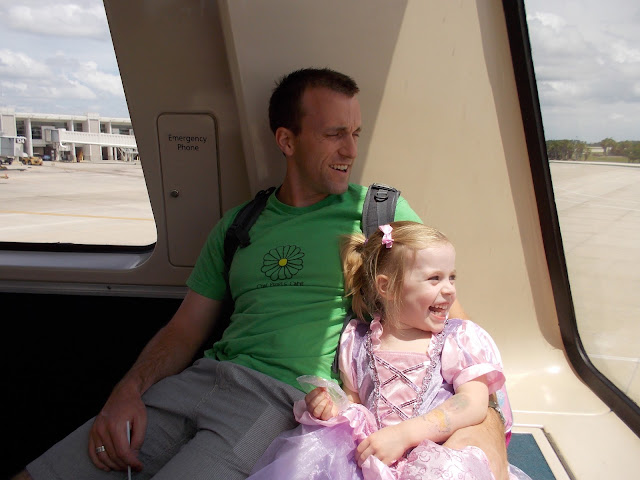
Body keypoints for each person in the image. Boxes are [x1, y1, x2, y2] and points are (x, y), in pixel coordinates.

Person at [14, 68, 509, 480]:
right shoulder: (239, 225)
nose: (350, 150)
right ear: (286, 140)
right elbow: (183, 332)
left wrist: (479, 422)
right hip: (198, 380)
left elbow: (448, 323)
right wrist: (126, 392)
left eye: (354, 134)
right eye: (334, 134)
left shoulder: (378, 215)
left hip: (278, 400)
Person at [248, 222, 529, 480]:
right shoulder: (358, 341)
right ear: (387, 287)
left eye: (451, 277)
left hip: (437, 459)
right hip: (377, 460)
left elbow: (472, 403)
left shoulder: (458, 338)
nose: (449, 291)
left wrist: (404, 435)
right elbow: (355, 403)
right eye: (434, 278)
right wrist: (332, 408)